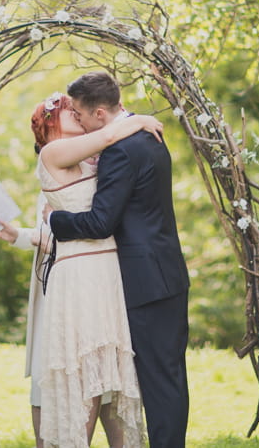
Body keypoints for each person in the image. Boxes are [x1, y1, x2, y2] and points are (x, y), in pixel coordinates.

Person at [0, 90, 163, 448]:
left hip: (108, 269)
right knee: (83, 370)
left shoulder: (94, 156)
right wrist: (139, 120)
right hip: (81, 275)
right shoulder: (52, 153)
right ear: (52, 125)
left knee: (112, 370)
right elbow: (108, 132)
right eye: (66, 111)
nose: (74, 111)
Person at [47, 70, 190, 448]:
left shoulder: (119, 151)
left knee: (160, 384)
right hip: (167, 272)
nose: (74, 119)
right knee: (169, 377)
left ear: (98, 114)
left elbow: (100, 221)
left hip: (146, 281)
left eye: (78, 113)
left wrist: (55, 221)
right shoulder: (147, 136)